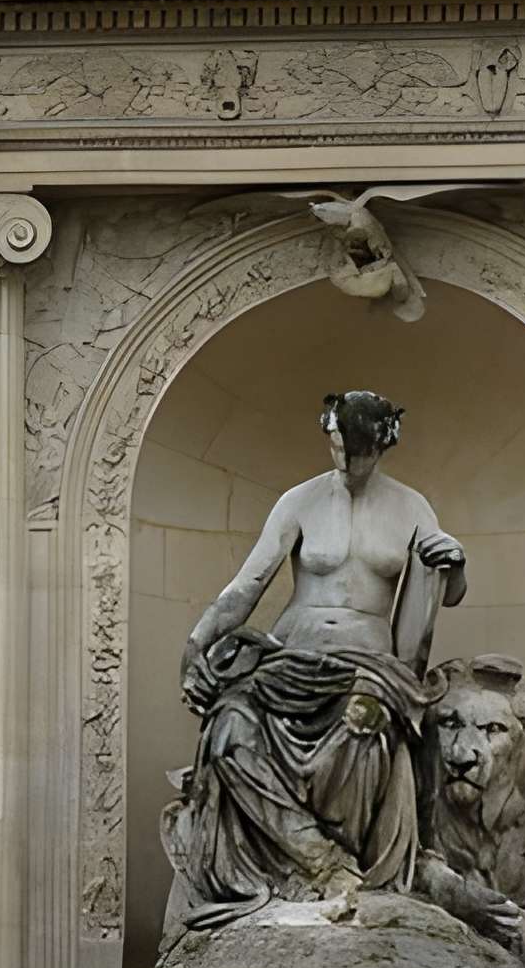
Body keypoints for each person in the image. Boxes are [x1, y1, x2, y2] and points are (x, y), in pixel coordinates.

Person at [162, 390, 467, 930]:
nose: (345, 461)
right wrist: (195, 646)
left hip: (368, 666)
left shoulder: (412, 508)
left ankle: (344, 867)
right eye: (336, 447)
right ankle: (317, 862)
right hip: (289, 657)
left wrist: (456, 563)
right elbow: (248, 585)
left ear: (383, 444)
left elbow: (449, 591)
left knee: (365, 723)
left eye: (358, 451)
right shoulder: (298, 501)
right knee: (230, 727)